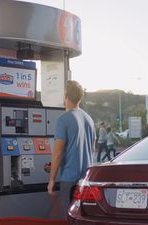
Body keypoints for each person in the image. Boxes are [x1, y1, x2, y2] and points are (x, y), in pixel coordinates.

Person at [47, 80, 96, 215]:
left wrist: (51, 179)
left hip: (69, 180)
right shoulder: (89, 120)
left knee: (69, 217)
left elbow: (58, 153)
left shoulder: (63, 119)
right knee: (82, 217)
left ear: (66, 97)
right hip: (86, 180)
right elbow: (92, 149)